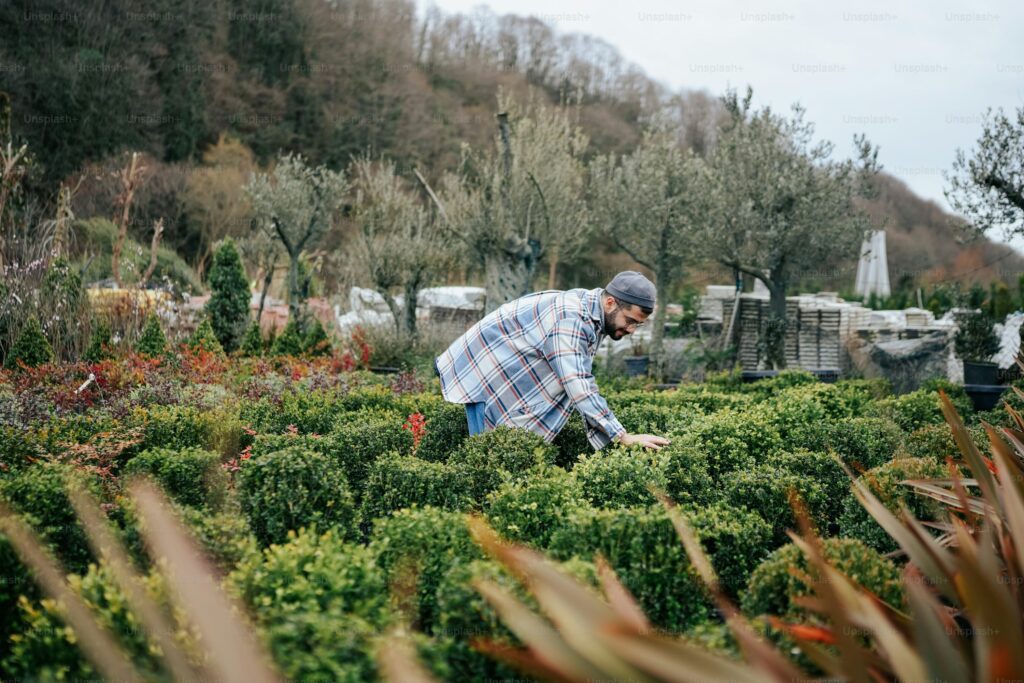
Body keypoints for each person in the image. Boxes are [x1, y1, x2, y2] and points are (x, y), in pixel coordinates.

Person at [434, 271, 671, 451]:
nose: (631, 330)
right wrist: (622, 436)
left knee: (508, 454)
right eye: (630, 321)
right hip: (484, 374)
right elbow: (577, 382)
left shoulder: (590, 309)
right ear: (610, 303)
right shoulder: (572, 318)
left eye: (638, 325)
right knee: (490, 460)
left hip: (502, 370)